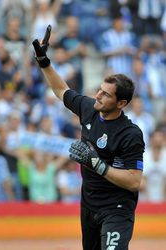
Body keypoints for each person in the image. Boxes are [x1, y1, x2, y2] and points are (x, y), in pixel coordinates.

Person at [32, 25, 145, 250]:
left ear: (121, 103)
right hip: (89, 206)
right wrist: (44, 61)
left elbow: (134, 181)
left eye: (106, 94)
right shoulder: (90, 108)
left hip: (117, 209)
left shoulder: (130, 134)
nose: (98, 95)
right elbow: (60, 90)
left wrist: (97, 164)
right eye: (100, 89)